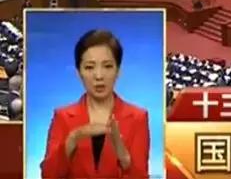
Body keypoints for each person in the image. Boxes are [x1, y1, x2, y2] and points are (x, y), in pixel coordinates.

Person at [40, 30, 150, 178]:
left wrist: (123, 155)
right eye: (89, 67)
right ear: (78, 73)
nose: (99, 76)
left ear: (118, 71)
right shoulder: (62, 117)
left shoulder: (138, 117)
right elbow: (48, 175)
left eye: (107, 66)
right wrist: (73, 138)